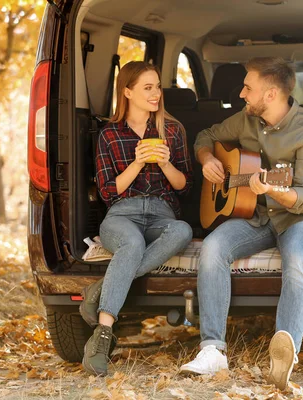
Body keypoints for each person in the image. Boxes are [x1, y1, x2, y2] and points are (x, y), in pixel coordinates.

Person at [180, 57, 303, 390]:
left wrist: (274, 189)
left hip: (302, 217)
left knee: (296, 262)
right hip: (257, 215)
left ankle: (283, 357)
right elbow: (206, 135)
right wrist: (208, 160)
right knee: (213, 246)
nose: (241, 94)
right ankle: (212, 350)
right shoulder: (246, 120)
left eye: (248, 88)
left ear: (272, 94)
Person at [80, 61, 194, 376]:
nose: (156, 93)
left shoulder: (173, 129)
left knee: (182, 230)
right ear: (127, 92)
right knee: (130, 244)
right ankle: (102, 336)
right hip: (122, 214)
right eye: (148, 87)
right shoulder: (109, 134)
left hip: (162, 213)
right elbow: (107, 191)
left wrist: (167, 165)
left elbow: (185, 187)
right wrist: (137, 163)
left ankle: (103, 288)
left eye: (157, 86)